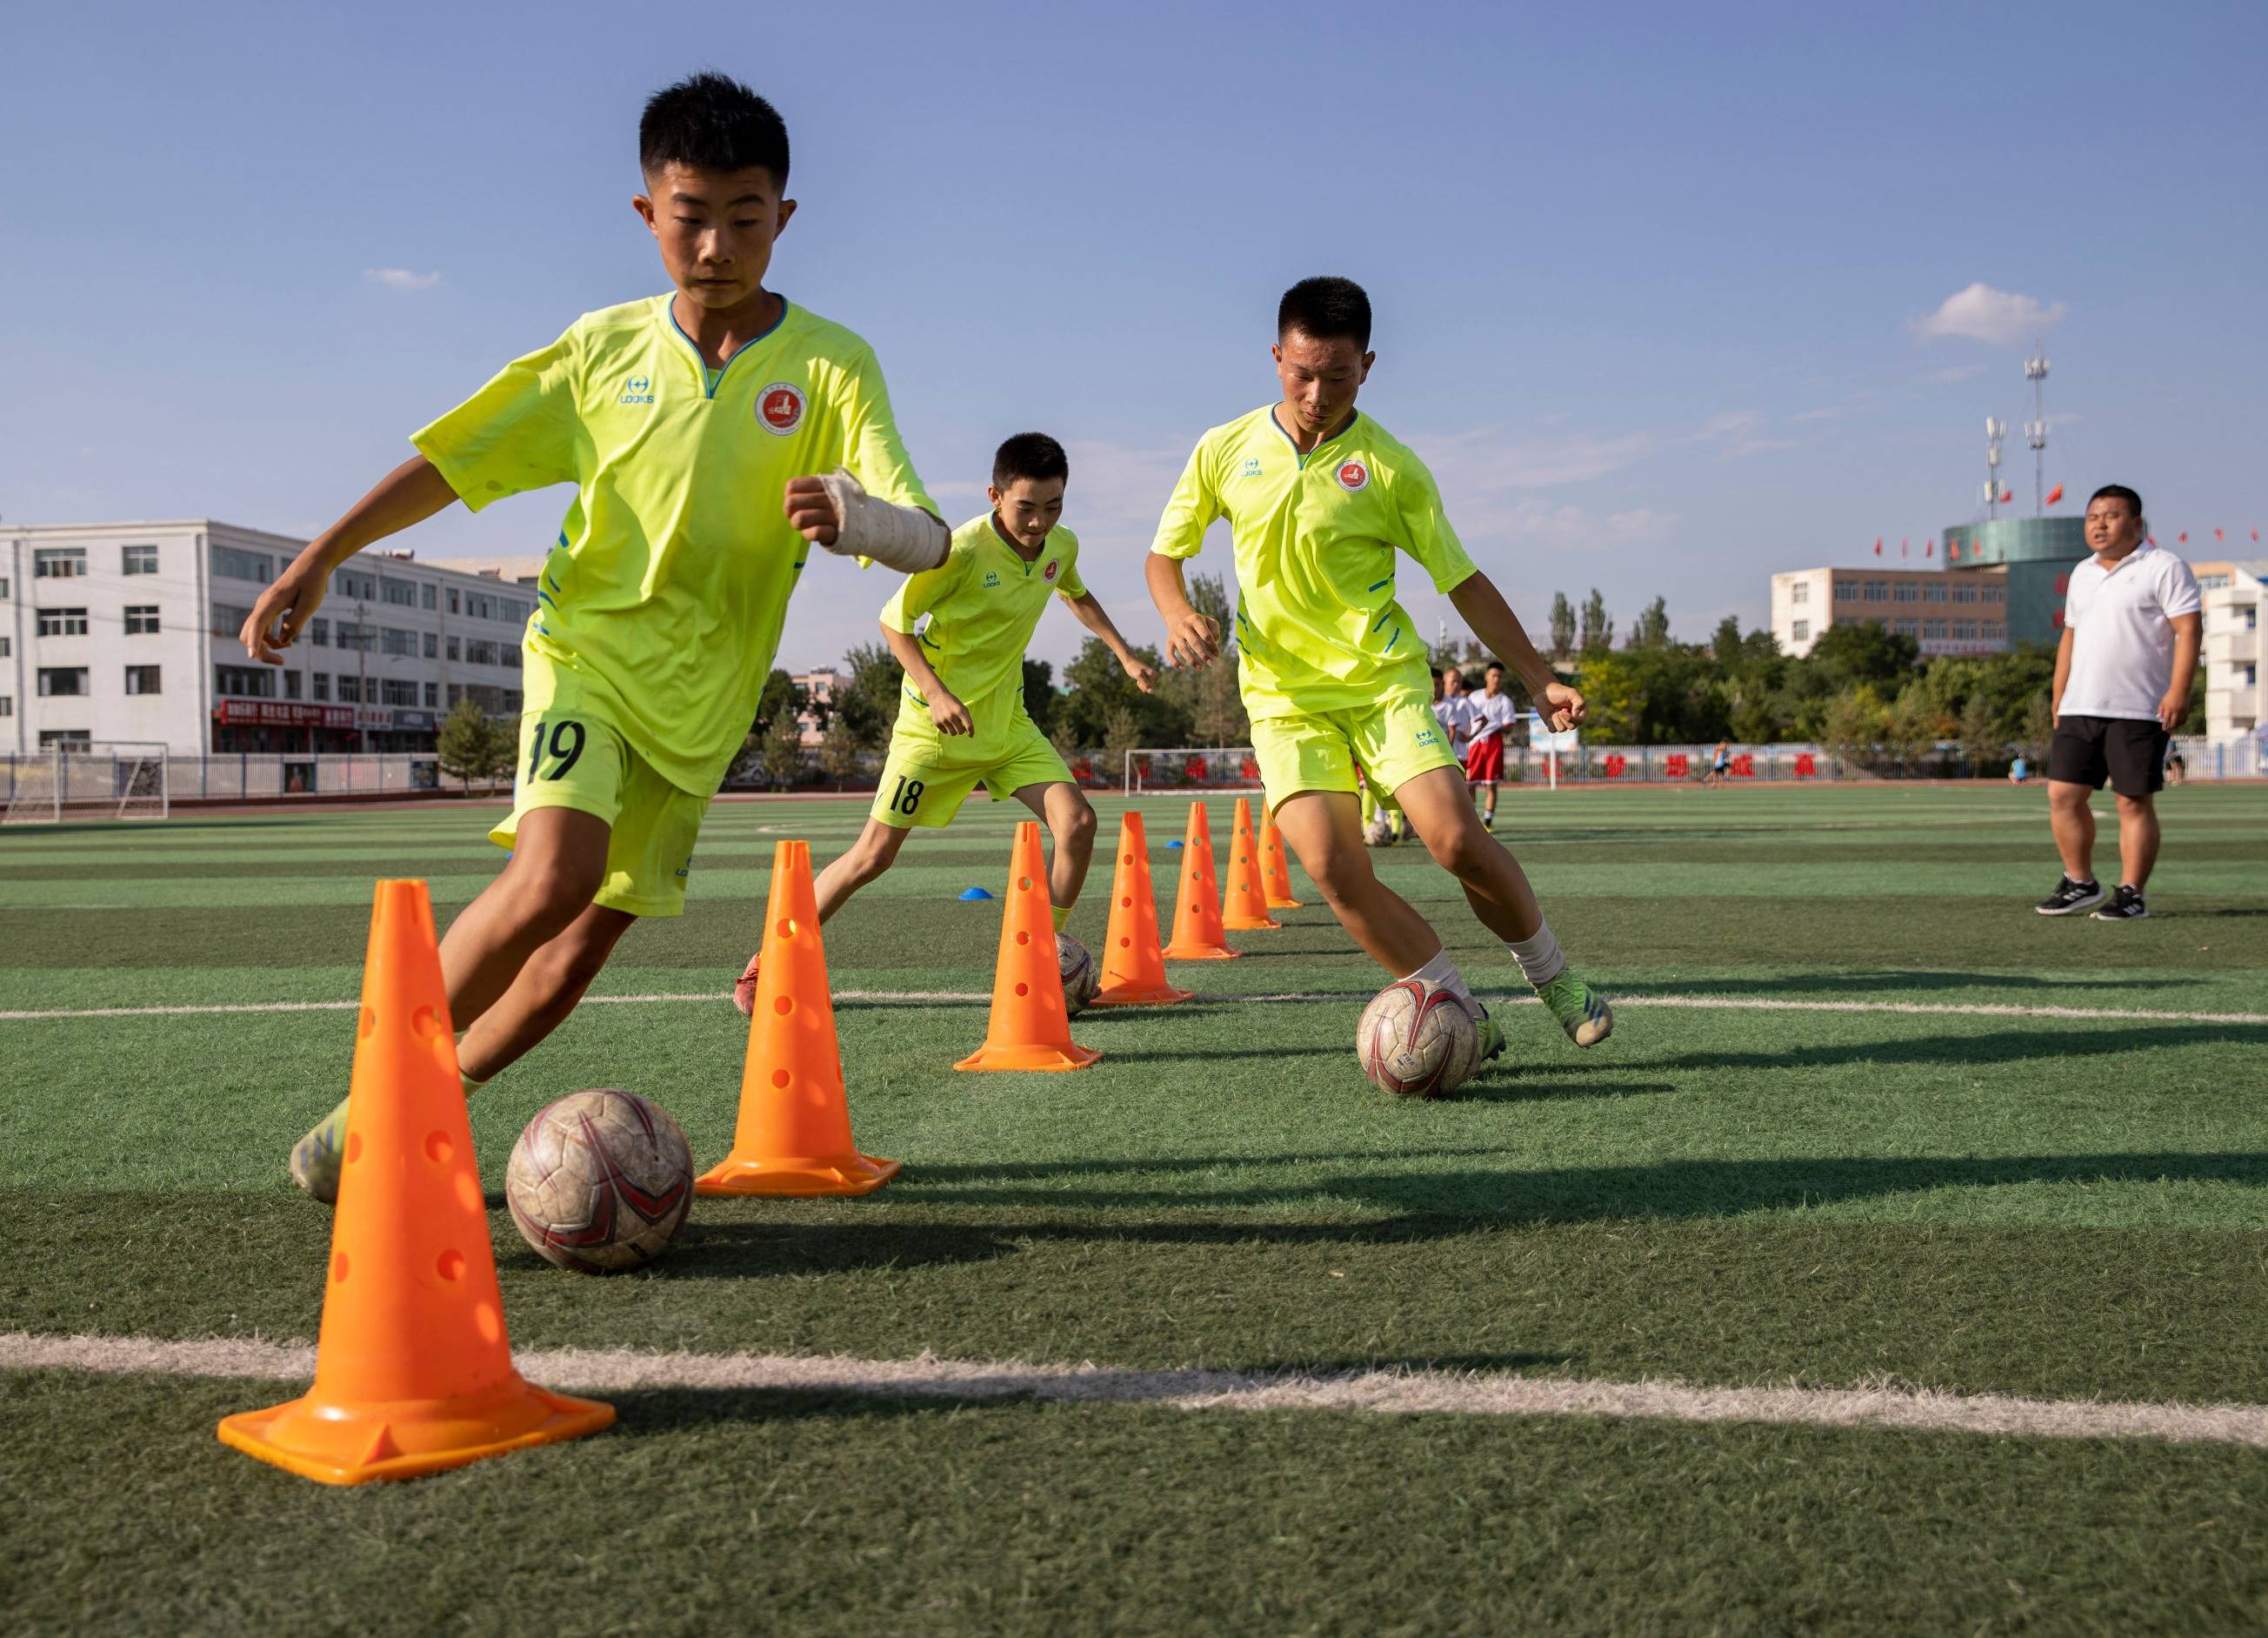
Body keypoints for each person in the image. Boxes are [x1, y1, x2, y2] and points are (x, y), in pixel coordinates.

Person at [242, 74, 949, 1200]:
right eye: (691, 214)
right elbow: (455, 460)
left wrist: (859, 517)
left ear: (785, 218)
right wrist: (324, 552)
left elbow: (928, 535)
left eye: (746, 216)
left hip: (707, 702)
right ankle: (378, 1105)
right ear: (646, 213)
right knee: (550, 873)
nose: (717, 243)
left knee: (578, 946)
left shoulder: (831, 364)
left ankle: (417, 1110)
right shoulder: (600, 348)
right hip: (587, 654)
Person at [1146, 277, 1611, 1058]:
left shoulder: (1392, 467)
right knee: (1333, 866)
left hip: (1381, 685)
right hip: (1283, 697)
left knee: (1456, 839)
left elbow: (1461, 577)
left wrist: (1538, 675)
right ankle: (1463, 1012)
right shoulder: (1223, 449)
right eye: (1301, 373)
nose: (1316, 392)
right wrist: (1176, 612)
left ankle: (1555, 977)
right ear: (1275, 357)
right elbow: (1165, 557)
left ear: (1368, 365)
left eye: (1337, 375)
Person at [732, 433, 1154, 1009]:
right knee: (871, 857)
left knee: (1077, 822)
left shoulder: (1062, 545)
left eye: (1053, 506)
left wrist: (1124, 654)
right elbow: (893, 622)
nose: (1038, 522)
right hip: (933, 729)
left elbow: (1074, 593)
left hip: (1007, 727)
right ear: (995, 495)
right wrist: (935, 692)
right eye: (1026, 507)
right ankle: (767, 961)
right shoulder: (959, 550)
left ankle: (1042, 950)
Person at [2036, 484, 2201, 920]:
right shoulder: (2082, 573)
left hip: (2139, 707)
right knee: (2063, 795)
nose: (2099, 525)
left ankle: (2131, 893)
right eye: (2092, 517)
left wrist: (2179, 690)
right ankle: (2080, 882)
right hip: (2080, 705)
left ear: (2136, 524)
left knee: (2132, 800)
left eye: (2110, 516)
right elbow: (2070, 636)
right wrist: (2059, 694)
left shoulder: (2164, 566)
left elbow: (2188, 630)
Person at [1462, 661, 1522, 830]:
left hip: (1493, 743)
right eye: (1493, 675)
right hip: (1474, 743)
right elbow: (1466, 718)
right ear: (1486, 676)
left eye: (1500, 677)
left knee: (1491, 784)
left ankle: (1487, 822)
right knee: (1469, 783)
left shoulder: (1505, 701)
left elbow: (1509, 726)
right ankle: (1471, 821)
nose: (1496, 679)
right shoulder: (1474, 697)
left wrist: (1495, 726)